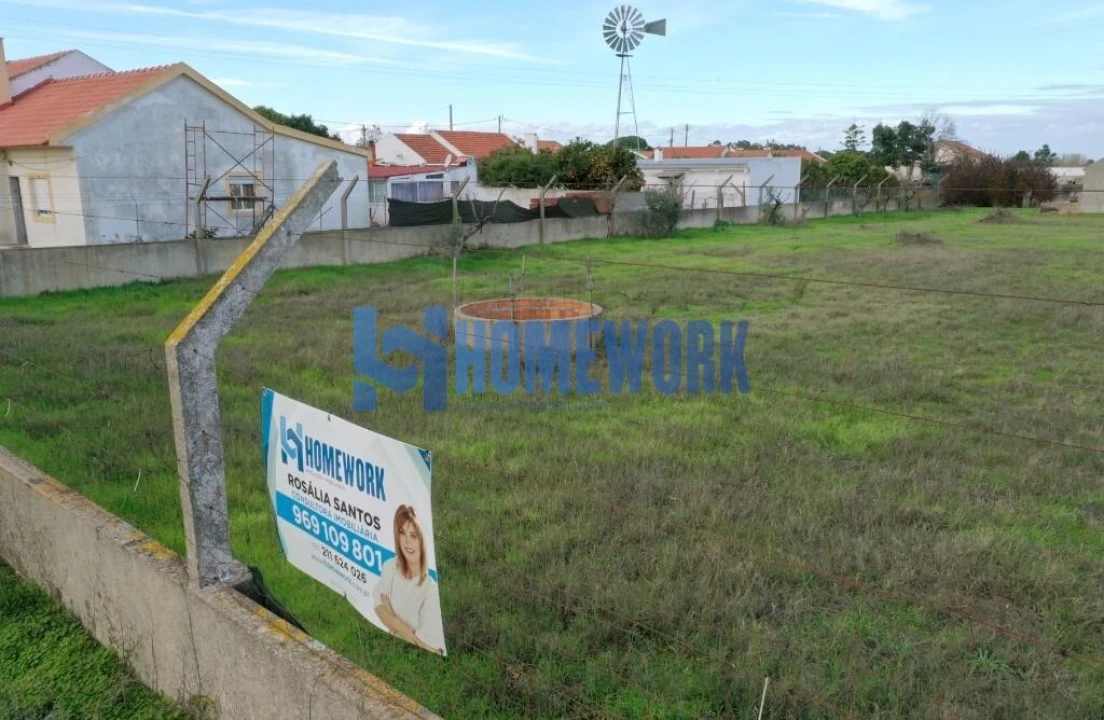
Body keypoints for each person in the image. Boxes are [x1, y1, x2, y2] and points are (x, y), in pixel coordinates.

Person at [373, 504, 445, 655]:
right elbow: (378, 605)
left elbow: (429, 650)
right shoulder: (391, 566)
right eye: (402, 533)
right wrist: (408, 631)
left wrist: (391, 616)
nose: (407, 542)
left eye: (413, 535)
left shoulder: (430, 592)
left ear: (423, 540)